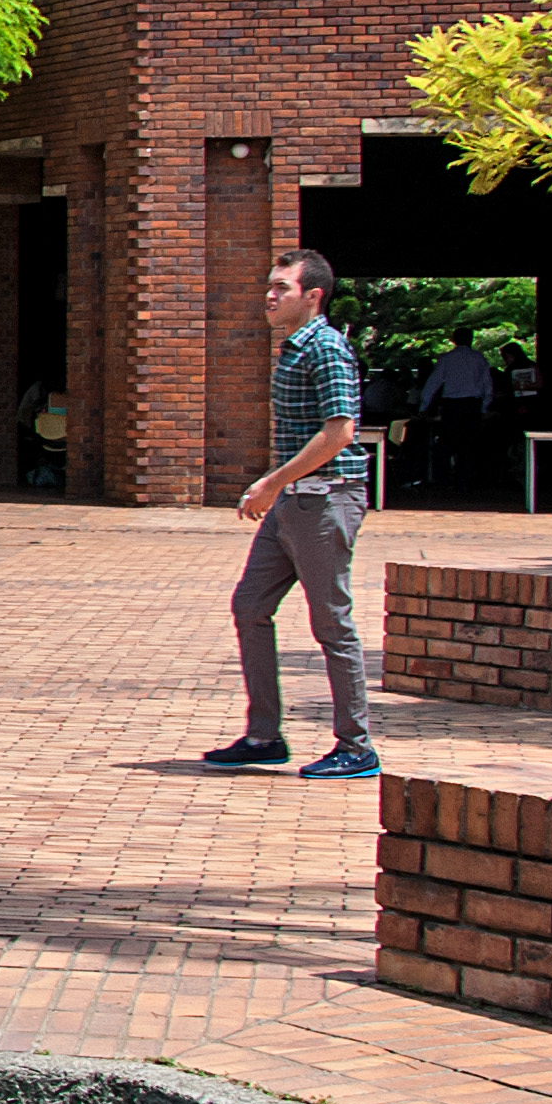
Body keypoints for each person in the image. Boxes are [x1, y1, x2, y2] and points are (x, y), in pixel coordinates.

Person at [207, 247, 377, 780]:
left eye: (282, 287)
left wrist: (271, 482)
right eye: (270, 285)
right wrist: (280, 488)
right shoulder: (294, 347)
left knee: (331, 623)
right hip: (295, 501)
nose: (270, 295)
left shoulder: (326, 349)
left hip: (326, 499)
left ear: (313, 296)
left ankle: (356, 747)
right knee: (250, 606)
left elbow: (339, 433)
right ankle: (264, 736)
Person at [411, 325, 497, 493]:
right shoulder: (479, 358)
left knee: (447, 443)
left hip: (452, 405)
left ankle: (443, 480)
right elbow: (487, 384)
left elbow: (433, 383)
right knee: (469, 444)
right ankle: (466, 480)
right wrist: (485, 406)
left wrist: (424, 406)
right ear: (471, 339)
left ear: (454, 340)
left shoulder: (446, 359)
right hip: (472, 405)